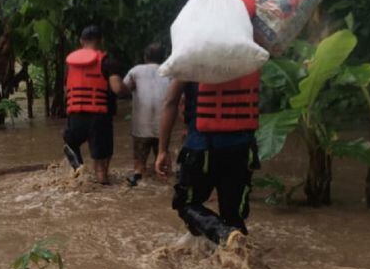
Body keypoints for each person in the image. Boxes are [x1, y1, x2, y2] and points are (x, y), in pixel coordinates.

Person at [155, 70, 261, 248]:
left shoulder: (194, 57)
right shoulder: (247, 56)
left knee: (185, 203)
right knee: (233, 214)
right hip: (242, 149)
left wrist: (162, 150)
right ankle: (237, 255)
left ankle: (222, 233)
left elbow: (171, 101)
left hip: (201, 147)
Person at [62, 26, 125, 184]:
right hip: (99, 117)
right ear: (101, 41)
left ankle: (78, 168)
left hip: (75, 117)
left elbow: (66, 90)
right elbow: (117, 88)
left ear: (81, 41)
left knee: (70, 140)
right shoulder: (107, 62)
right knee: (101, 169)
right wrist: (129, 89)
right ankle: (103, 196)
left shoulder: (70, 64)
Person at [122, 43, 171, 186]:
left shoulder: (135, 71)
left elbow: (124, 89)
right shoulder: (169, 72)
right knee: (163, 168)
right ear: (164, 58)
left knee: (139, 166)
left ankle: (137, 178)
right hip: (162, 129)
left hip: (140, 128)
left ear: (145, 57)